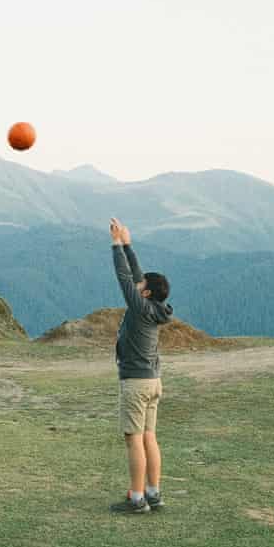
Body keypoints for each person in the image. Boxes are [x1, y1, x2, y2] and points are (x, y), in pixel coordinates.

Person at [109, 218, 173, 514]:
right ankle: (153, 492)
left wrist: (116, 247)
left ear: (145, 293)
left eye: (142, 286)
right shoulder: (155, 308)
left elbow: (124, 278)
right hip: (153, 381)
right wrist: (128, 245)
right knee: (149, 437)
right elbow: (136, 276)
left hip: (135, 383)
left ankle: (136, 499)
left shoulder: (139, 307)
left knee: (133, 439)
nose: (138, 285)